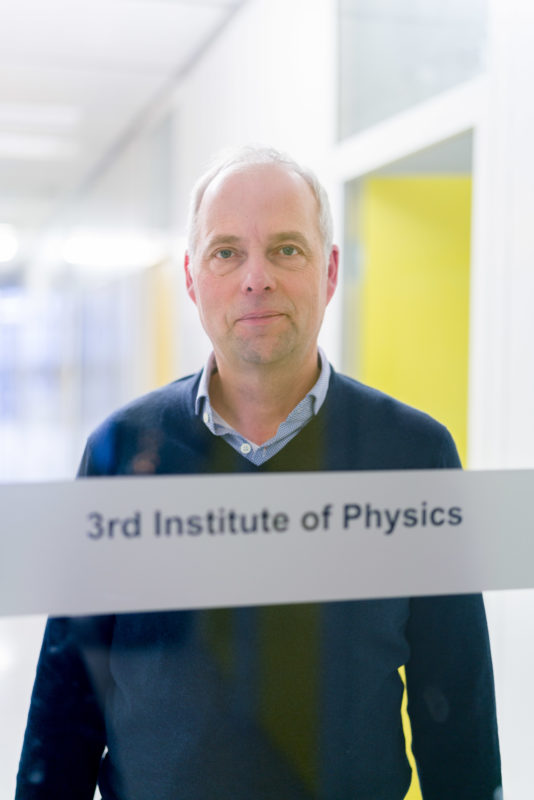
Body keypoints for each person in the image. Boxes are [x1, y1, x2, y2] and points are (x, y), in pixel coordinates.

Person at [16, 146, 502, 799]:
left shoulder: (414, 456)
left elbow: (458, 711)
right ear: (191, 277)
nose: (255, 278)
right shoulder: (122, 453)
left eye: (286, 250)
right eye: (226, 252)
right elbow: (66, 702)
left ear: (329, 273)